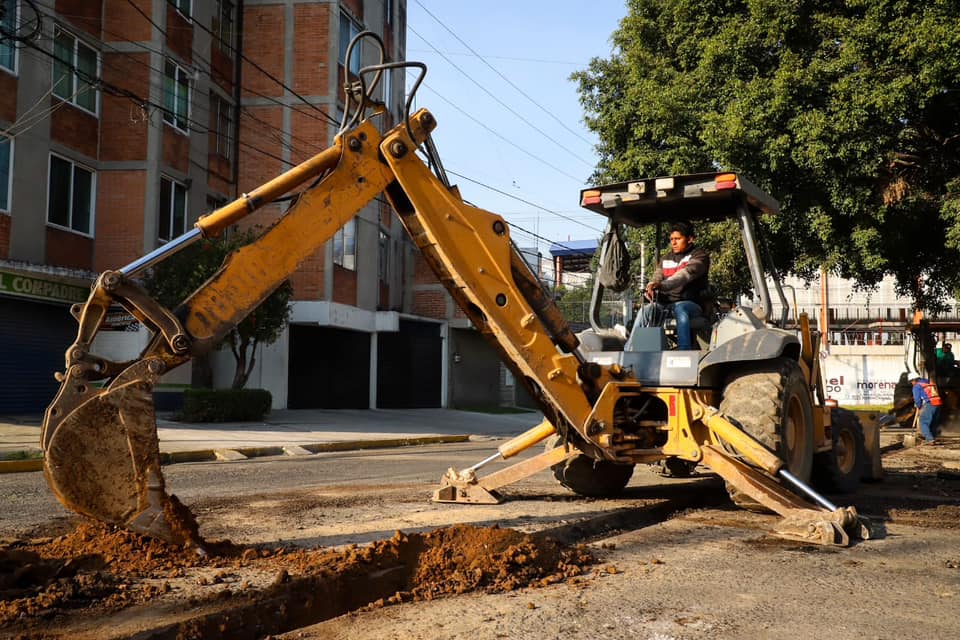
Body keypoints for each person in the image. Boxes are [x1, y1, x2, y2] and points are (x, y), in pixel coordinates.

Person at [636, 221, 710, 351]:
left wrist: (663, 285)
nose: (673, 243)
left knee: (681, 310)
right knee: (645, 311)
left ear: (690, 239)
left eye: (678, 239)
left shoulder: (699, 256)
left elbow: (684, 275)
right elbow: (657, 276)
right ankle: (631, 349)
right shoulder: (665, 259)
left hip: (691, 304)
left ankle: (684, 352)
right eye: (671, 239)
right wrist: (651, 286)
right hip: (666, 305)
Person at [909, 372, 942, 443]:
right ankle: (933, 437)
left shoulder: (916, 386)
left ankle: (930, 439)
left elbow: (917, 399)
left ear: (914, 380)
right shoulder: (927, 382)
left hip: (931, 403)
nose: (911, 383)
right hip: (938, 403)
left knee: (923, 421)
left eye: (911, 381)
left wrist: (919, 406)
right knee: (933, 422)